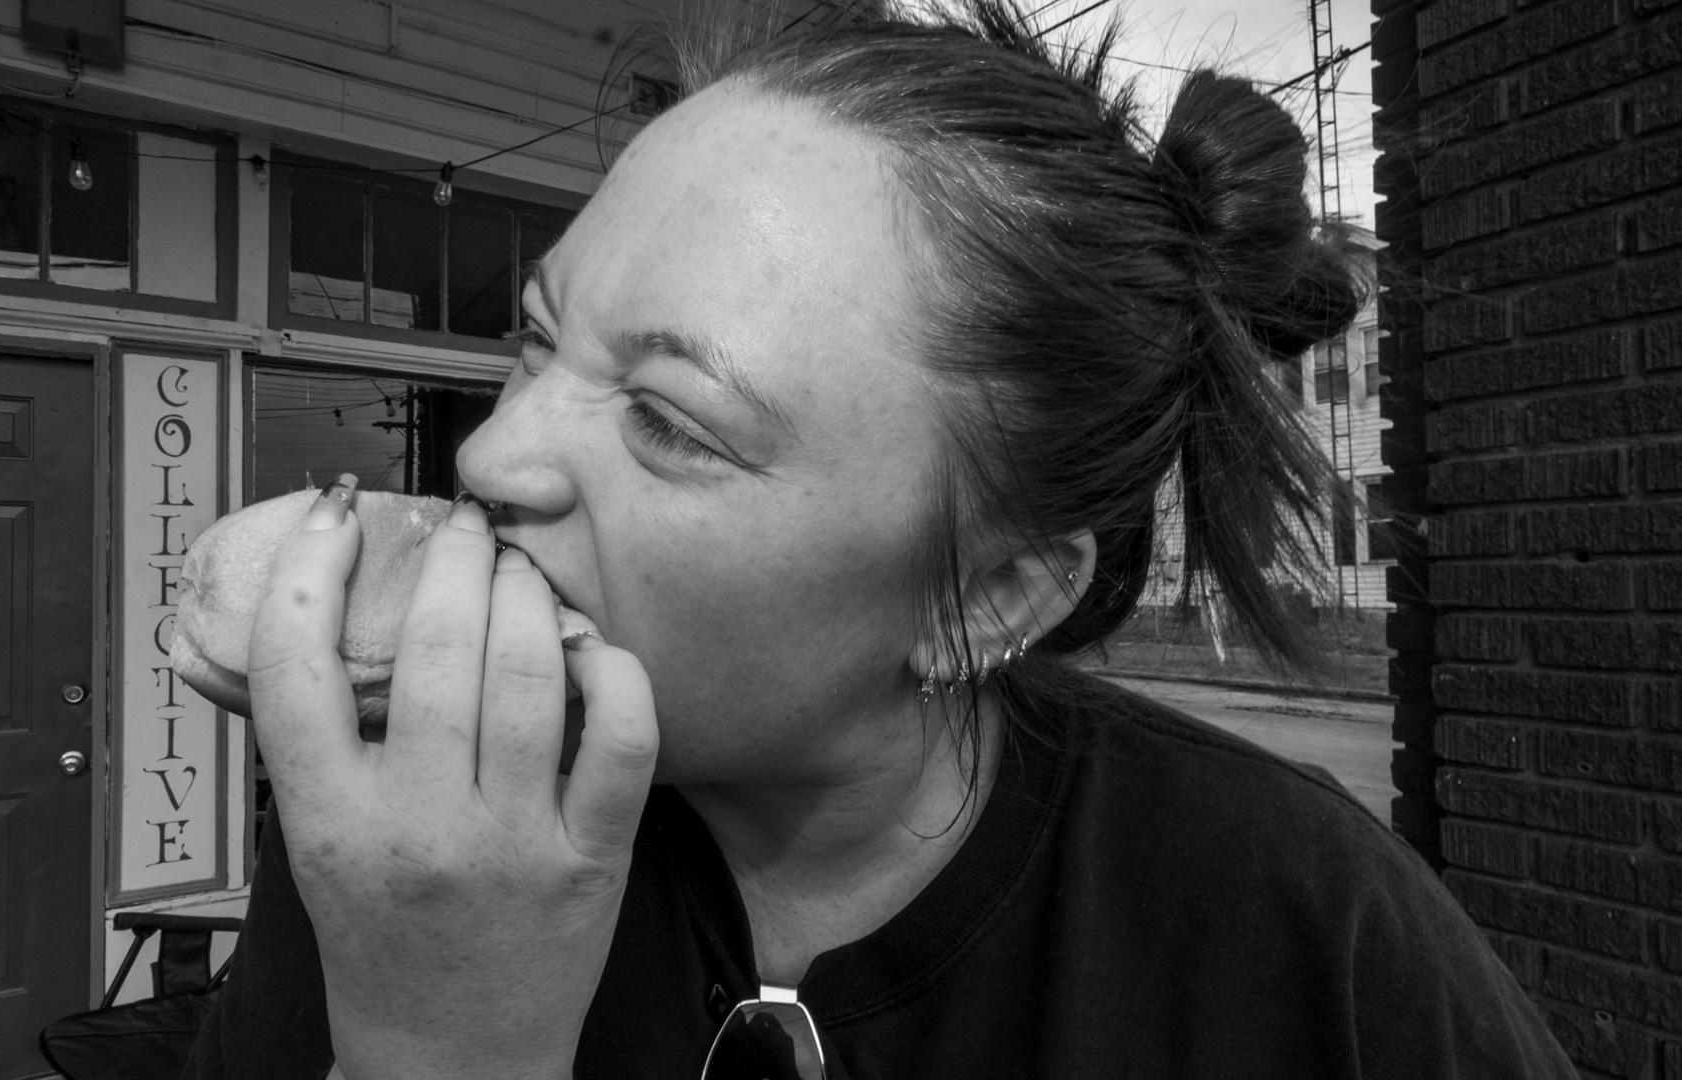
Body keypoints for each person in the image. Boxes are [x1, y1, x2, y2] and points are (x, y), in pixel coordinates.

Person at [186, 3, 1579, 1077]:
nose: (490, 457)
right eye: (539, 339)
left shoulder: (1311, 939)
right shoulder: (411, 842)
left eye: (669, 421)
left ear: (992, 594)